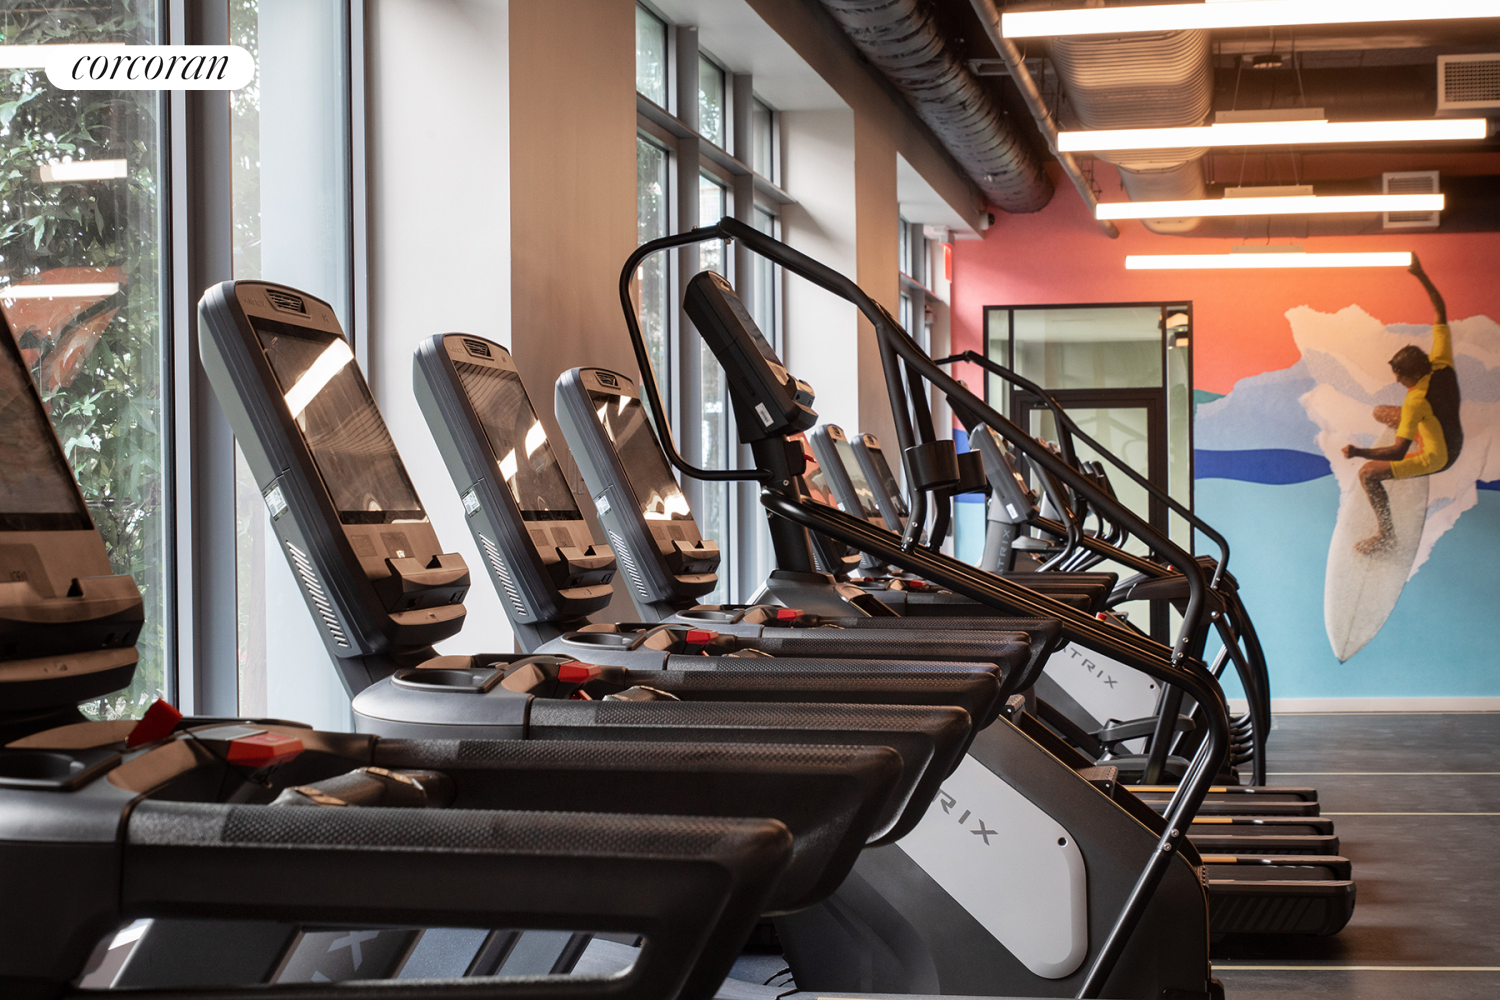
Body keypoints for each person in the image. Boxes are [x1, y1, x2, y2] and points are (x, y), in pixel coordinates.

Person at [1342, 255, 1463, 555]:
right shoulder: (1441, 362)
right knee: (1380, 411)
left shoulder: (1415, 400)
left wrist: (1358, 452)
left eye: (1400, 376)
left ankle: (1387, 537)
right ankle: (1419, 433)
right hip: (1449, 433)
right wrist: (1420, 274)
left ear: (1414, 374)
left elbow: (1397, 452)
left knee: (1367, 474)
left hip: (1439, 457)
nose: (1397, 380)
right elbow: (1440, 310)